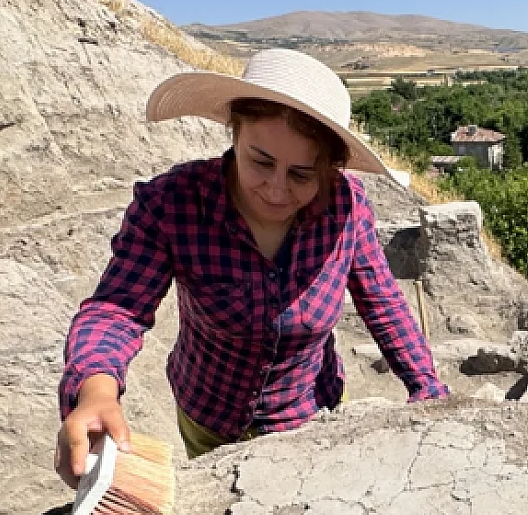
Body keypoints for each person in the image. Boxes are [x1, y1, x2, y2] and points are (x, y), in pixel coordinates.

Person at [55, 49, 446, 487]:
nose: (277, 190)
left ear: (330, 169)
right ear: (233, 133)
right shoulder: (174, 203)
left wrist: (427, 388)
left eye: (301, 174)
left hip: (311, 415)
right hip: (209, 416)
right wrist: (94, 390)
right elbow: (117, 309)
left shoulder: (346, 207)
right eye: (260, 162)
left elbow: (383, 303)